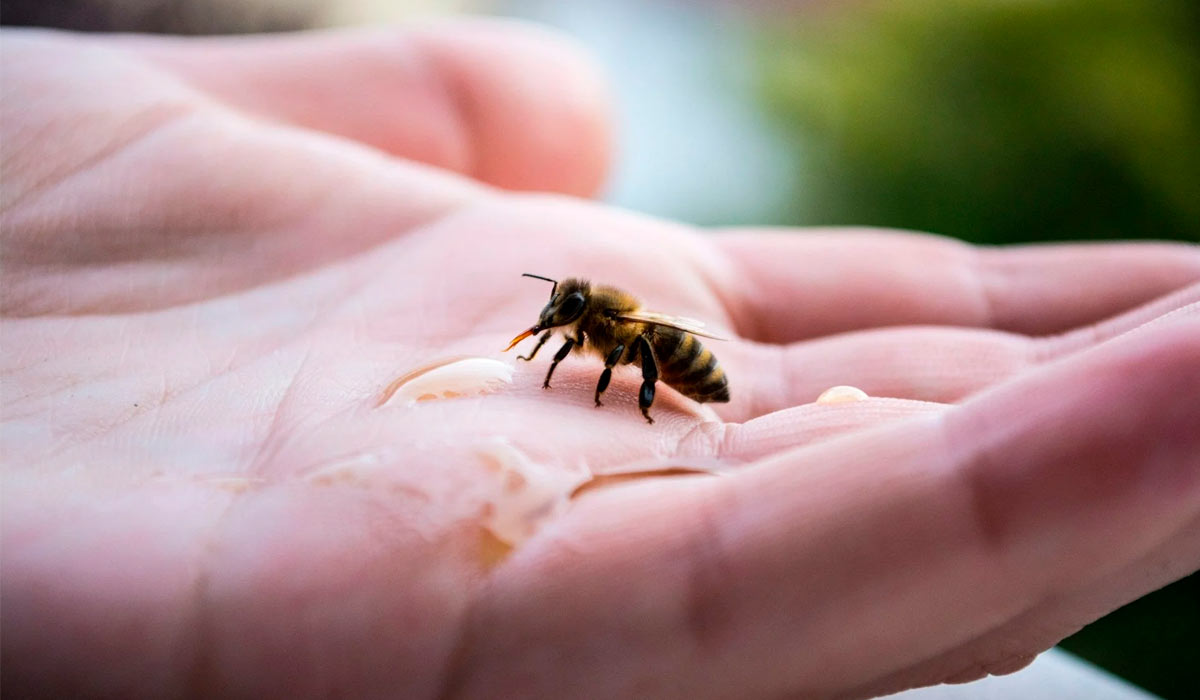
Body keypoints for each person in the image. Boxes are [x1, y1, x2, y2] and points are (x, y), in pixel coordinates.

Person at [1, 20, 1197, 700]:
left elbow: (620, 354)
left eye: (563, 313)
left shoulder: (613, 335)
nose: (559, 323)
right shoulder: (583, 320)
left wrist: (633, 401)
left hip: (686, 371)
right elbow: (573, 336)